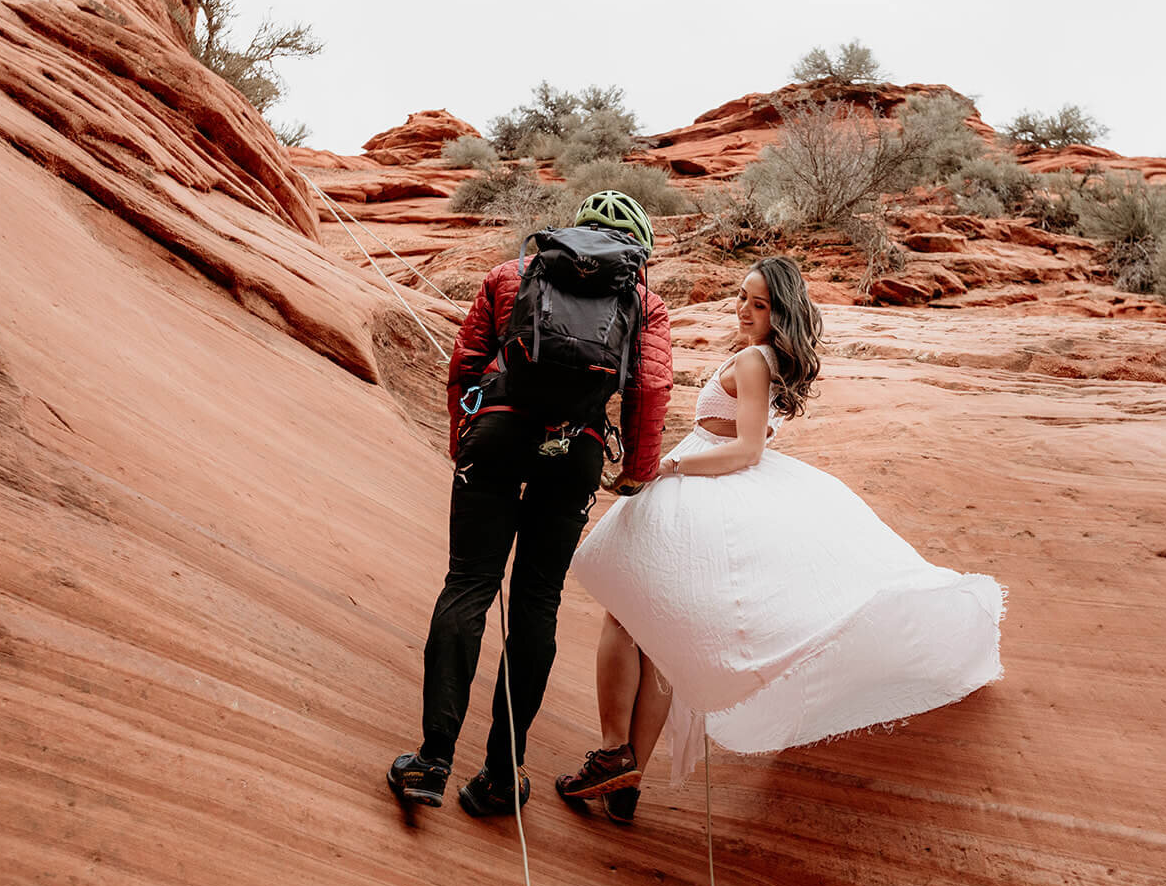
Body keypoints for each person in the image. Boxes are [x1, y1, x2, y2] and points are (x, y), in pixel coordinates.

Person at [553, 256, 1005, 823]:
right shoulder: (766, 358)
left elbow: (746, 450)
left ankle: (615, 753)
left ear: (780, 314)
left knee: (626, 614)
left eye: (759, 304)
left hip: (704, 488)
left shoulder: (752, 360)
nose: (743, 309)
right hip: (718, 487)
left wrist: (667, 468)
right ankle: (625, 777)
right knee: (659, 634)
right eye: (742, 296)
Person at [388, 191, 672, 816]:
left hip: (497, 436)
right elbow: (650, 390)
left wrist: (465, 439)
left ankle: (432, 763)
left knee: (468, 586)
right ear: (637, 252)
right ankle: (498, 775)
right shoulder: (644, 303)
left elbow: (465, 363)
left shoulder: (514, 273)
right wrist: (635, 473)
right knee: (536, 603)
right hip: (575, 453)